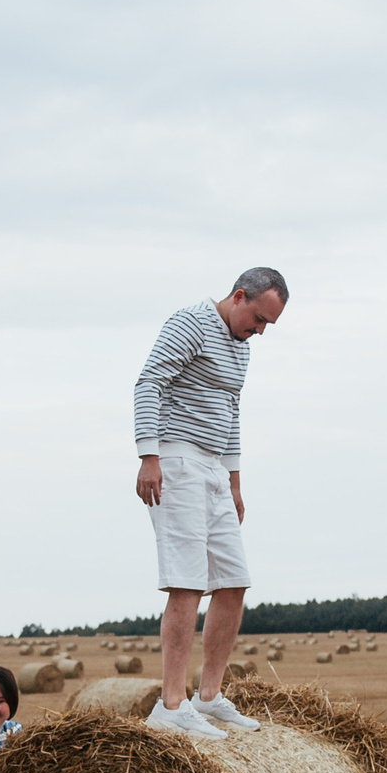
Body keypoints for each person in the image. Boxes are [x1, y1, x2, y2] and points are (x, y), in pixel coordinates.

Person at [132, 267, 287, 740]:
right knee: (186, 584)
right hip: (177, 460)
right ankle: (171, 704)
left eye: (268, 325)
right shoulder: (191, 322)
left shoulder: (242, 349)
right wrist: (148, 456)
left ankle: (209, 696)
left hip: (216, 470)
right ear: (238, 296)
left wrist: (235, 483)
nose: (260, 331)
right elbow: (149, 383)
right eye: (258, 319)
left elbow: (232, 413)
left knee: (234, 582)